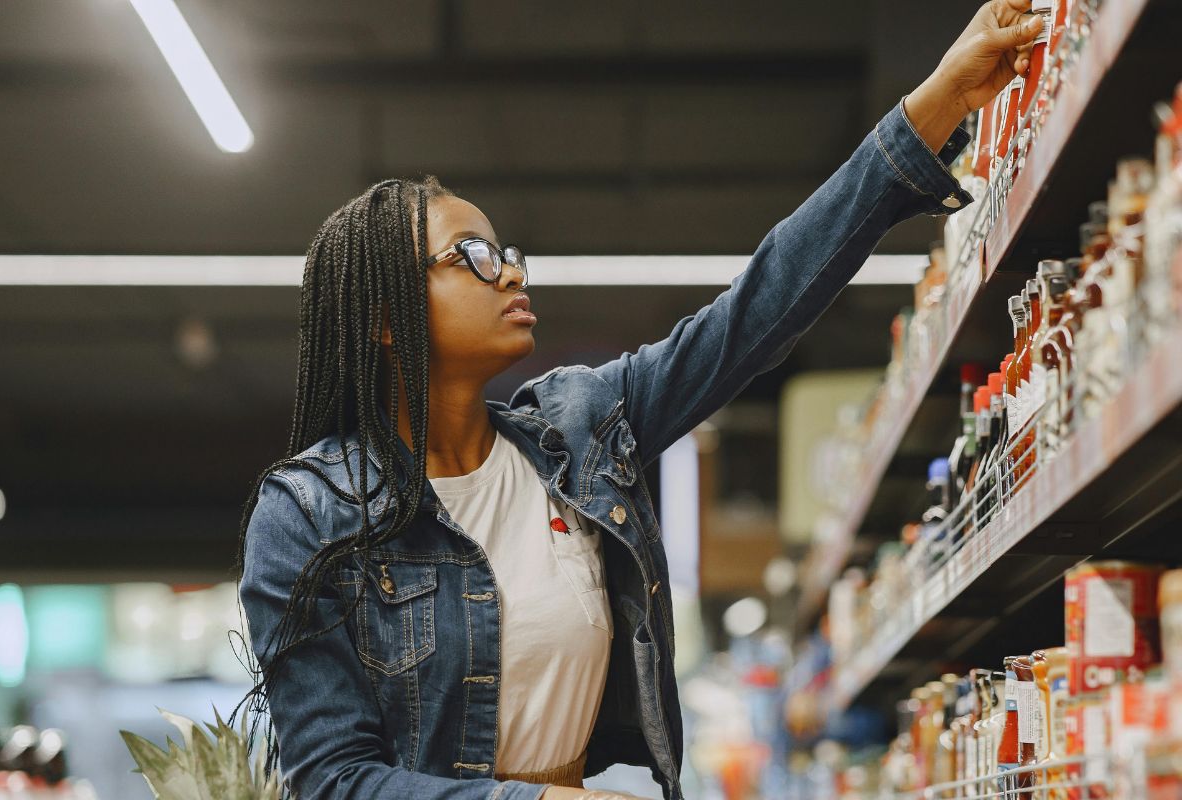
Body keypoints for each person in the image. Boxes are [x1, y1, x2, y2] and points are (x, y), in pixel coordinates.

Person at [232, 2, 1044, 798]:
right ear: (384, 317)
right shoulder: (309, 515)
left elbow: (757, 309)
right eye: (471, 256)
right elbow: (335, 781)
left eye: (505, 250)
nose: (512, 272)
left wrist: (938, 102)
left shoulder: (576, 433)